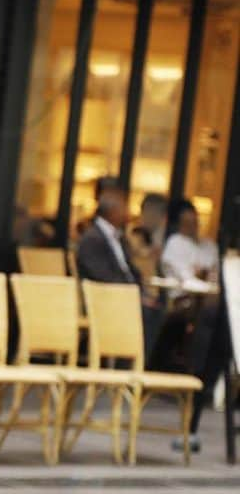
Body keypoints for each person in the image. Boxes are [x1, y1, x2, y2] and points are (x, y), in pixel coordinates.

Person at [76, 177, 163, 365]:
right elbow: (104, 277)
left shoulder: (119, 237)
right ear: (113, 211)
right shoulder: (93, 238)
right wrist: (135, 296)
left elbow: (131, 271)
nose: (127, 212)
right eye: (124, 207)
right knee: (147, 312)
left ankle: (139, 363)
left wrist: (143, 292)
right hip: (105, 297)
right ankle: (130, 365)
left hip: (125, 294)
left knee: (160, 309)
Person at [162, 199, 225, 452]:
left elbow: (214, 274)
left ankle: (205, 383)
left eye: (196, 220)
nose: (194, 225)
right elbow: (187, 278)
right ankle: (195, 379)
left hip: (211, 305)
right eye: (188, 221)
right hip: (185, 304)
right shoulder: (175, 244)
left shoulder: (209, 245)